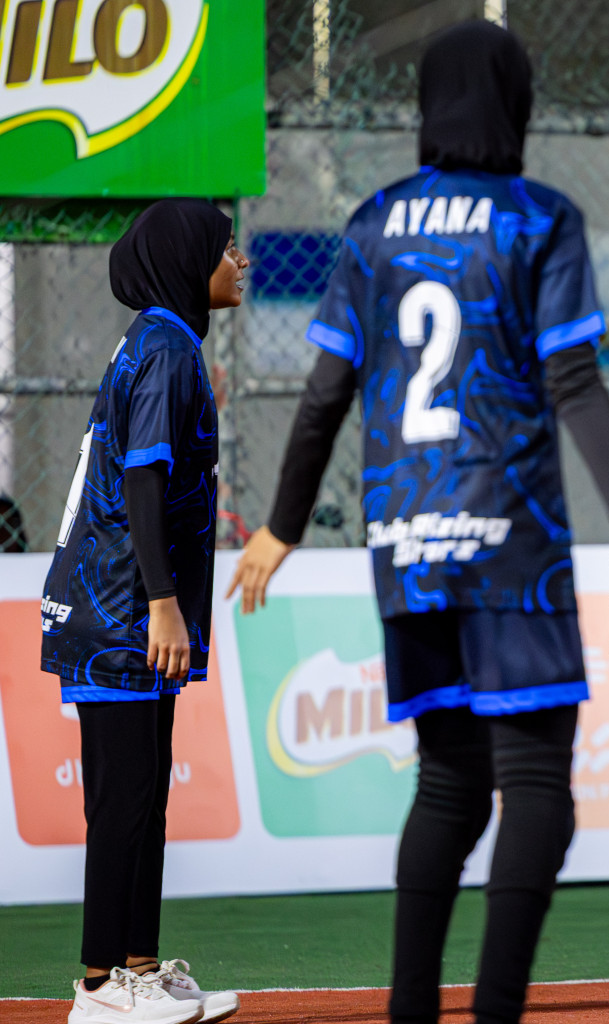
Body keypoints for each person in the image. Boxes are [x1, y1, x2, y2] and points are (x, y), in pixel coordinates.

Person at [225, 22, 609, 1024]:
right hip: (507, 534)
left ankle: (410, 1013)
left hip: (403, 537)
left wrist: (281, 528)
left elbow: (323, 395)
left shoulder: (373, 222)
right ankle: (494, 1013)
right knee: (537, 786)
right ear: (515, 103)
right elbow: (571, 377)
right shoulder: (538, 218)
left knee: (447, 784)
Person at [40, 199, 245, 1024]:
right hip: (122, 608)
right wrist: (163, 603)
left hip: (129, 607)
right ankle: (98, 987)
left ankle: (142, 969)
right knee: (122, 800)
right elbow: (143, 479)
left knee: (146, 792)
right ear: (185, 259)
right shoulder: (165, 346)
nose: (239, 261)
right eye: (225, 248)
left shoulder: (167, 340)